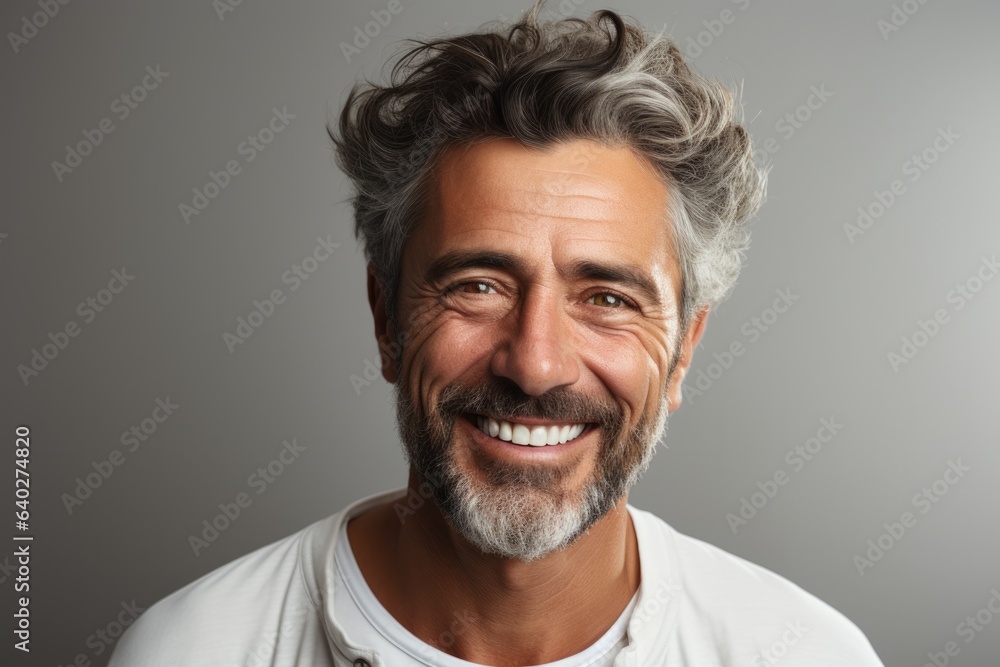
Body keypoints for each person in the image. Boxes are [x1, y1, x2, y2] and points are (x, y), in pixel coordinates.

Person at [110, 3, 884, 665]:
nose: (536, 364)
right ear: (386, 319)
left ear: (683, 350)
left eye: (608, 297)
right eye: (478, 286)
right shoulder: (194, 648)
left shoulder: (807, 652)